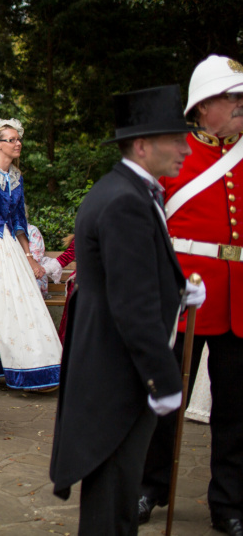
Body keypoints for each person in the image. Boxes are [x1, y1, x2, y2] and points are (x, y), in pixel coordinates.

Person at [50, 85, 206, 535]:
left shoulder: (127, 190)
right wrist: (164, 379)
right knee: (112, 509)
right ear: (142, 145)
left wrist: (177, 291)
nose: (185, 148)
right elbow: (131, 305)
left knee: (116, 500)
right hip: (118, 375)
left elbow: (128, 275)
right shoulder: (124, 201)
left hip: (112, 368)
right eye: (175, 140)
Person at [137, 55, 243, 534]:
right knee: (164, 399)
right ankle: (149, 485)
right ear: (202, 106)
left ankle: (230, 503)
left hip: (238, 298)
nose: (240, 105)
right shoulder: (170, 153)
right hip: (181, 296)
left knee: (236, 408)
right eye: (231, 97)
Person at [0, 118, 62, 390]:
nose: (18, 143)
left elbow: (19, 221)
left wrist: (30, 258)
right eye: (11, 140)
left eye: (19, 139)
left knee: (23, 304)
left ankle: (34, 369)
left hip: (10, 247)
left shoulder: (16, 177)